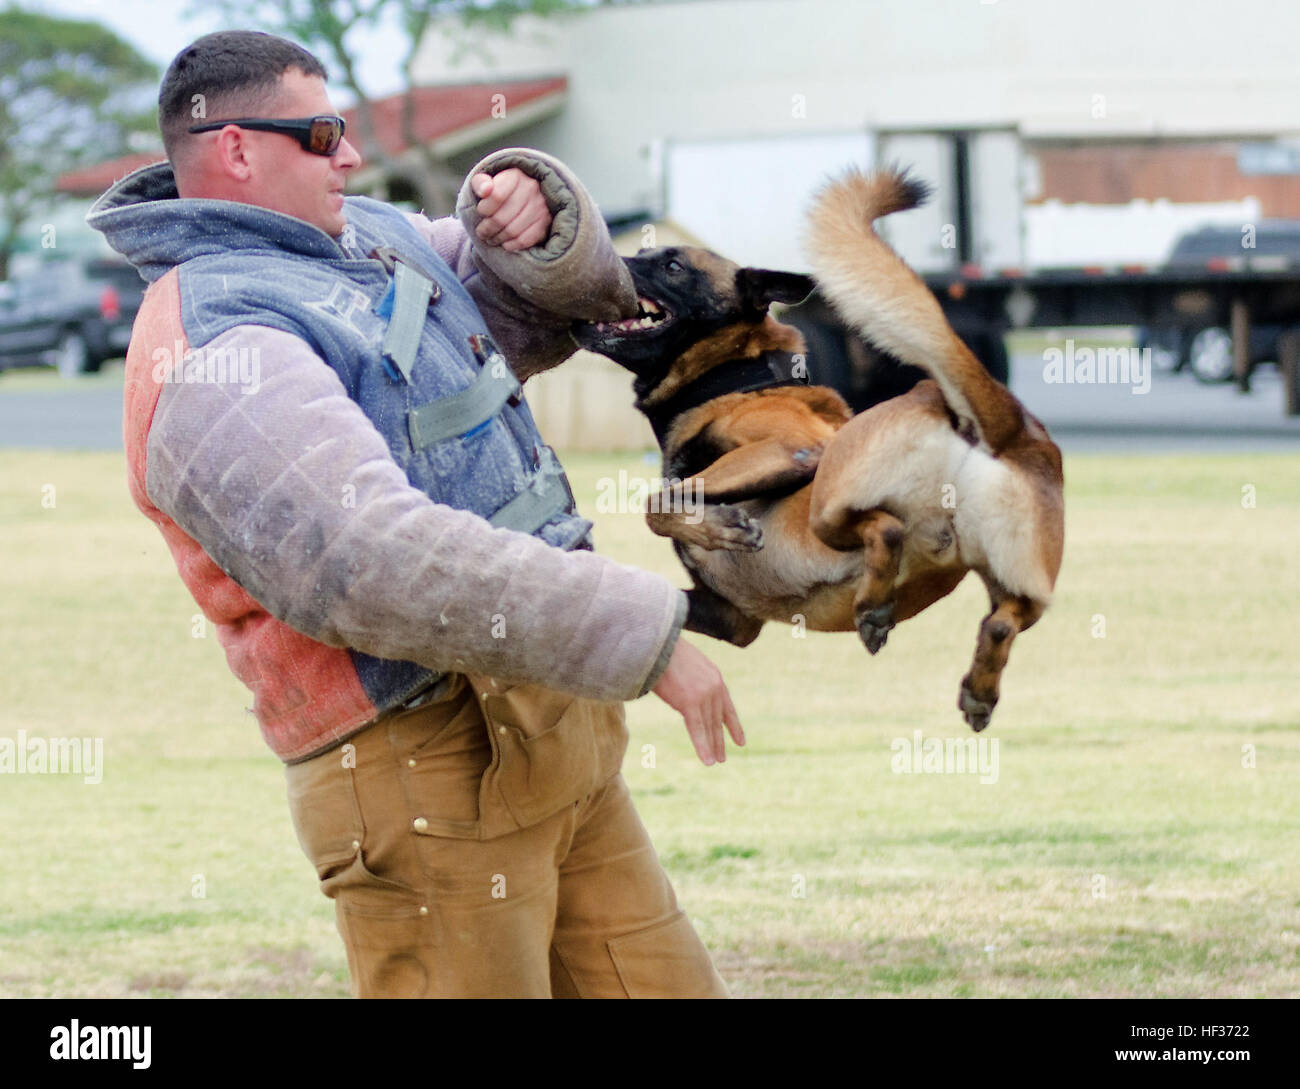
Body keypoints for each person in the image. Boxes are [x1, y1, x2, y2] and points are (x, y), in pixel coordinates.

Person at [88, 29, 743, 998]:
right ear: (236, 149)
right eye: (322, 134)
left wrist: (528, 205)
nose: (350, 155)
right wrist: (638, 632)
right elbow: (362, 559)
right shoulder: (215, 339)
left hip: (550, 721)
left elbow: (537, 302)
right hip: (419, 760)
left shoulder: (371, 238)